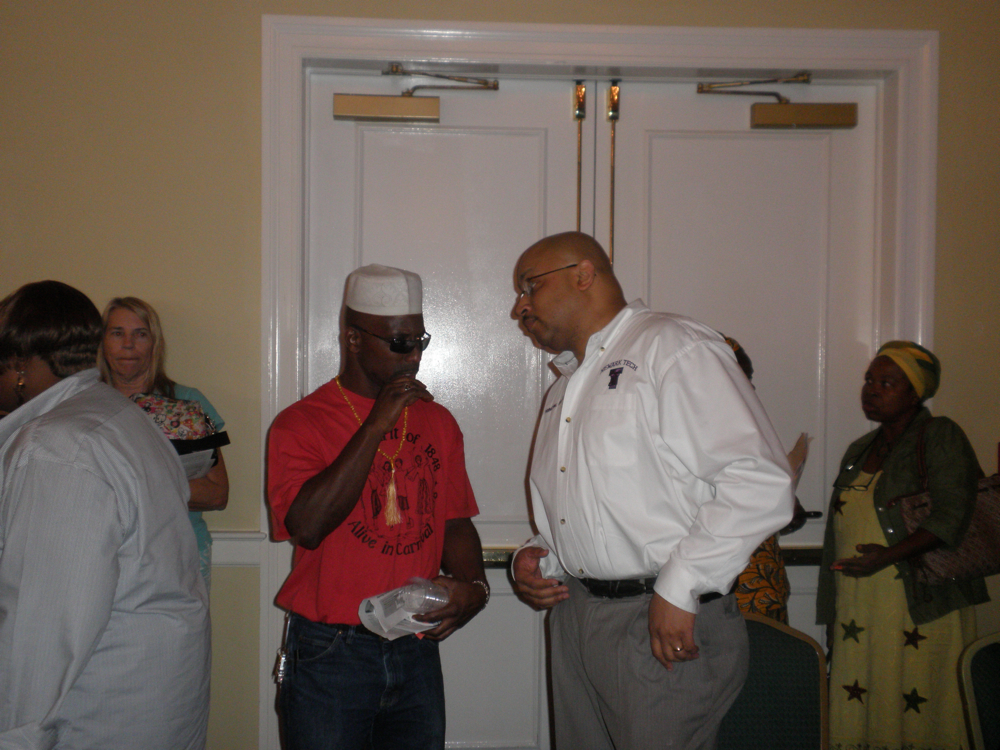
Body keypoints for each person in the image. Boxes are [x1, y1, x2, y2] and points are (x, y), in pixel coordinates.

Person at [509, 232, 794, 750]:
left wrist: (680, 586)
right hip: (576, 619)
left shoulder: (672, 346)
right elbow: (604, 505)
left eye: (530, 286)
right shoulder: (562, 389)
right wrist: (541, 556)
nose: (519, 307)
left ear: (583, 274)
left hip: (657, 619)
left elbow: (758, 479)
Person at [267, 264, 489, 750]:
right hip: (331, 653)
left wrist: (476, 587)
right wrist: (375, 425)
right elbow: (306, 526)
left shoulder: (438, 421)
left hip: (413, 647)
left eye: (419, 340)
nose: (413, 356)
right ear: (353, 339)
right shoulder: (299, 424)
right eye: (398, 343)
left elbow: (453, 520)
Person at [0, 281, 209, 749]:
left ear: (17, 364)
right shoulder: (117, 412)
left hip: (100, 708)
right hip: (149, 696)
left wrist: (13, 736)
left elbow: (47, 629)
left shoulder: (57, 447)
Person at [817, 341, 987, 750]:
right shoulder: (859, 450)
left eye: (887, 382)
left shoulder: (941, 436)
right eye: (869, 380)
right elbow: (835, 536)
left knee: (921, 705)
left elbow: (952, 516)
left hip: (917, 606)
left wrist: (886, 558)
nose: (871, 389)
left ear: (916, 393)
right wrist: (831, 611)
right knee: (863, 698)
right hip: (859, 604)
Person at [99, 296, 228, 588]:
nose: (128, 344)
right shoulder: (83, 405)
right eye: (117, 333)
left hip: (178, 563)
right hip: (103, 557)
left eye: (140, 334)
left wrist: (132, 482)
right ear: (102, 342)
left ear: (155, 343)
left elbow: (218, 493)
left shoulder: (193, 404)